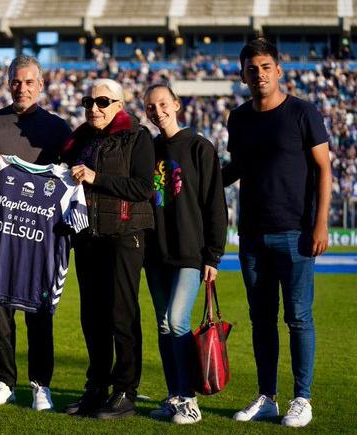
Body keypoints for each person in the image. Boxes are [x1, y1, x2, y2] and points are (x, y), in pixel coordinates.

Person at [223, 38, 332, 428]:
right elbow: (235, 168)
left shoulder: (303, 112)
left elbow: (324, 169)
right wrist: (200, 180)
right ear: (242, 74)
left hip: (297, 233)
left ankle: (302, 398)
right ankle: (267, 397)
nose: (260, 74)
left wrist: (320, 223)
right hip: (251, 235)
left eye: (266, 66)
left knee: (299, 318)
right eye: (252, 68)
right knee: (261, 320)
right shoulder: (238, 118)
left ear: (279, 70)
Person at [0, 55, 71, 411]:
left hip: (41, 238)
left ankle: (41, 385)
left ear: (40, 85)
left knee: (39, 312)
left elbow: (71, 174)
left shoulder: (58, 128)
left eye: (28, 82)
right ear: (7, 83)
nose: (21, 88)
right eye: (15, 82)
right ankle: (3, 381)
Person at [61, 79, 154, 419]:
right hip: (88, 236)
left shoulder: (137, 137)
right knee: (93, 316)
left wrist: (96, 177)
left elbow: (144, 187)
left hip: (125, 234)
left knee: (121, 314)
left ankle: (125, 390)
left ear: (119, 104)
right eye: (89, 101)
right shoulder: (80, 138)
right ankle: (97, 387)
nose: (94, 108)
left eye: (102, 101)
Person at [143, 84, 228, 424]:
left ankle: (190, 400)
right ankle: (175, 395)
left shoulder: (199, 147)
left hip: (191, 253)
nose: (157, 111)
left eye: (163, 103)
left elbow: (215, 203)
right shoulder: (148, 149)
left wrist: (213, 256)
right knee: (164, 327)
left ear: (176, 105)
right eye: (150, 106)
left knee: (178, 321)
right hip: (156, 254)